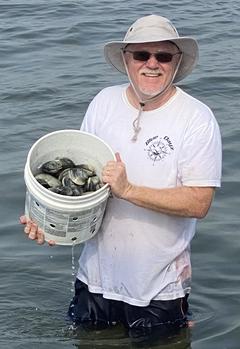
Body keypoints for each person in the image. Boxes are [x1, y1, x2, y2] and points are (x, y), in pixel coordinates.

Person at [20, 14, 222, 340]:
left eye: (163, 56)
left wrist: (128, 189)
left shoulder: (196, 118)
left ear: (177, 61)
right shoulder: (103, 103)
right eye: (142, 55)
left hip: (158, 286)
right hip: (95, 278)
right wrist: (47, 221)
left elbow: (199, 202)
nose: (152, 64)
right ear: (126, 60)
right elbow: (82, 187)